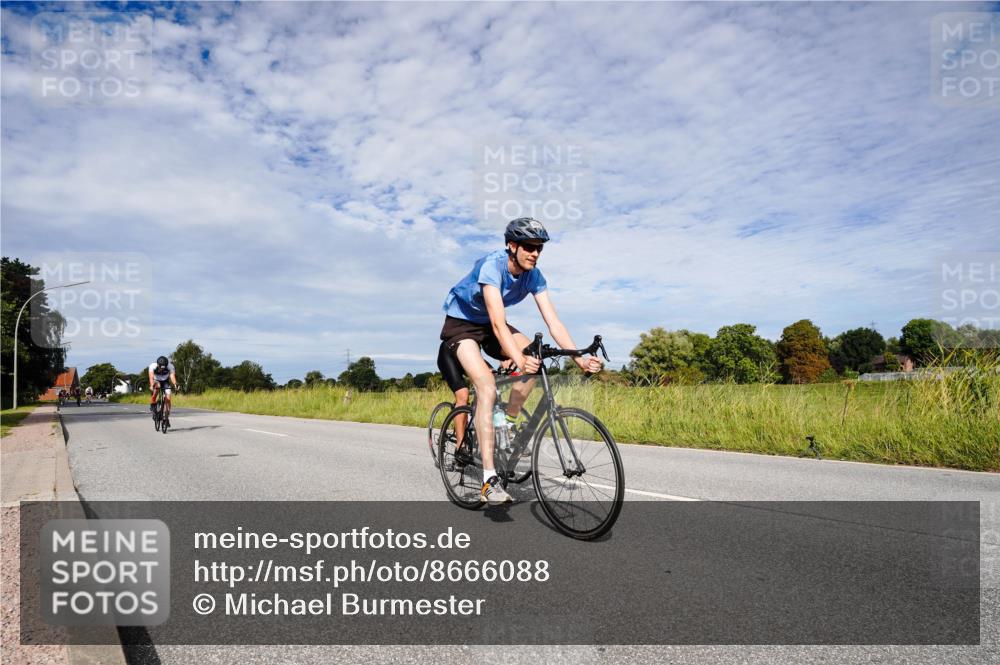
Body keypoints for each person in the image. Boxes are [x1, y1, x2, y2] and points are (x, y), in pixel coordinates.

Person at [439, 217, 603, 505]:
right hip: (462, 327)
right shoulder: (492, 266)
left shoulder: (534, 276)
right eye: (529, 247)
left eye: (539, 248)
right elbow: (498, 323)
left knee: (535, 356)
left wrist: (579, 360)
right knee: (487, 387)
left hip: (491, 326)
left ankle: (507, 422)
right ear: (511, 246)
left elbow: (554, 323)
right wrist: (518, 358)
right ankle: (489, 480)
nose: (535, 253)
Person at [148, 356, 178, 425]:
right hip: (156, 380)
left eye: (164, 368)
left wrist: (175, 384)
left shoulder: (170, 366)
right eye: (160, 368)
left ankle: (166, 417)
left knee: (168, 399)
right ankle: (153, 403)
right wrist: (152, 385)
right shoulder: (152, 366)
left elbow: (172, 376)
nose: (162, 369)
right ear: (158, 365)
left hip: (165, 381)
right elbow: (151, 377)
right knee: (157, 387)